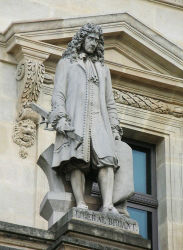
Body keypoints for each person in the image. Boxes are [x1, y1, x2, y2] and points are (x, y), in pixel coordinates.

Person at [49, 23, 122, 213]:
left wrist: (114, 128)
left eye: (96, 41)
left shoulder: (103, 69)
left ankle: (107, 204)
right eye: (90, 39)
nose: (93, 43)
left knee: (107, 160)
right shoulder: (67, 63)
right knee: (77, 161)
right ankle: (80, 202)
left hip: (100, 122)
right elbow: (58, 95)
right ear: (81, 39)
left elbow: (110, 101)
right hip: (76, 120)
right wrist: (61, 118)